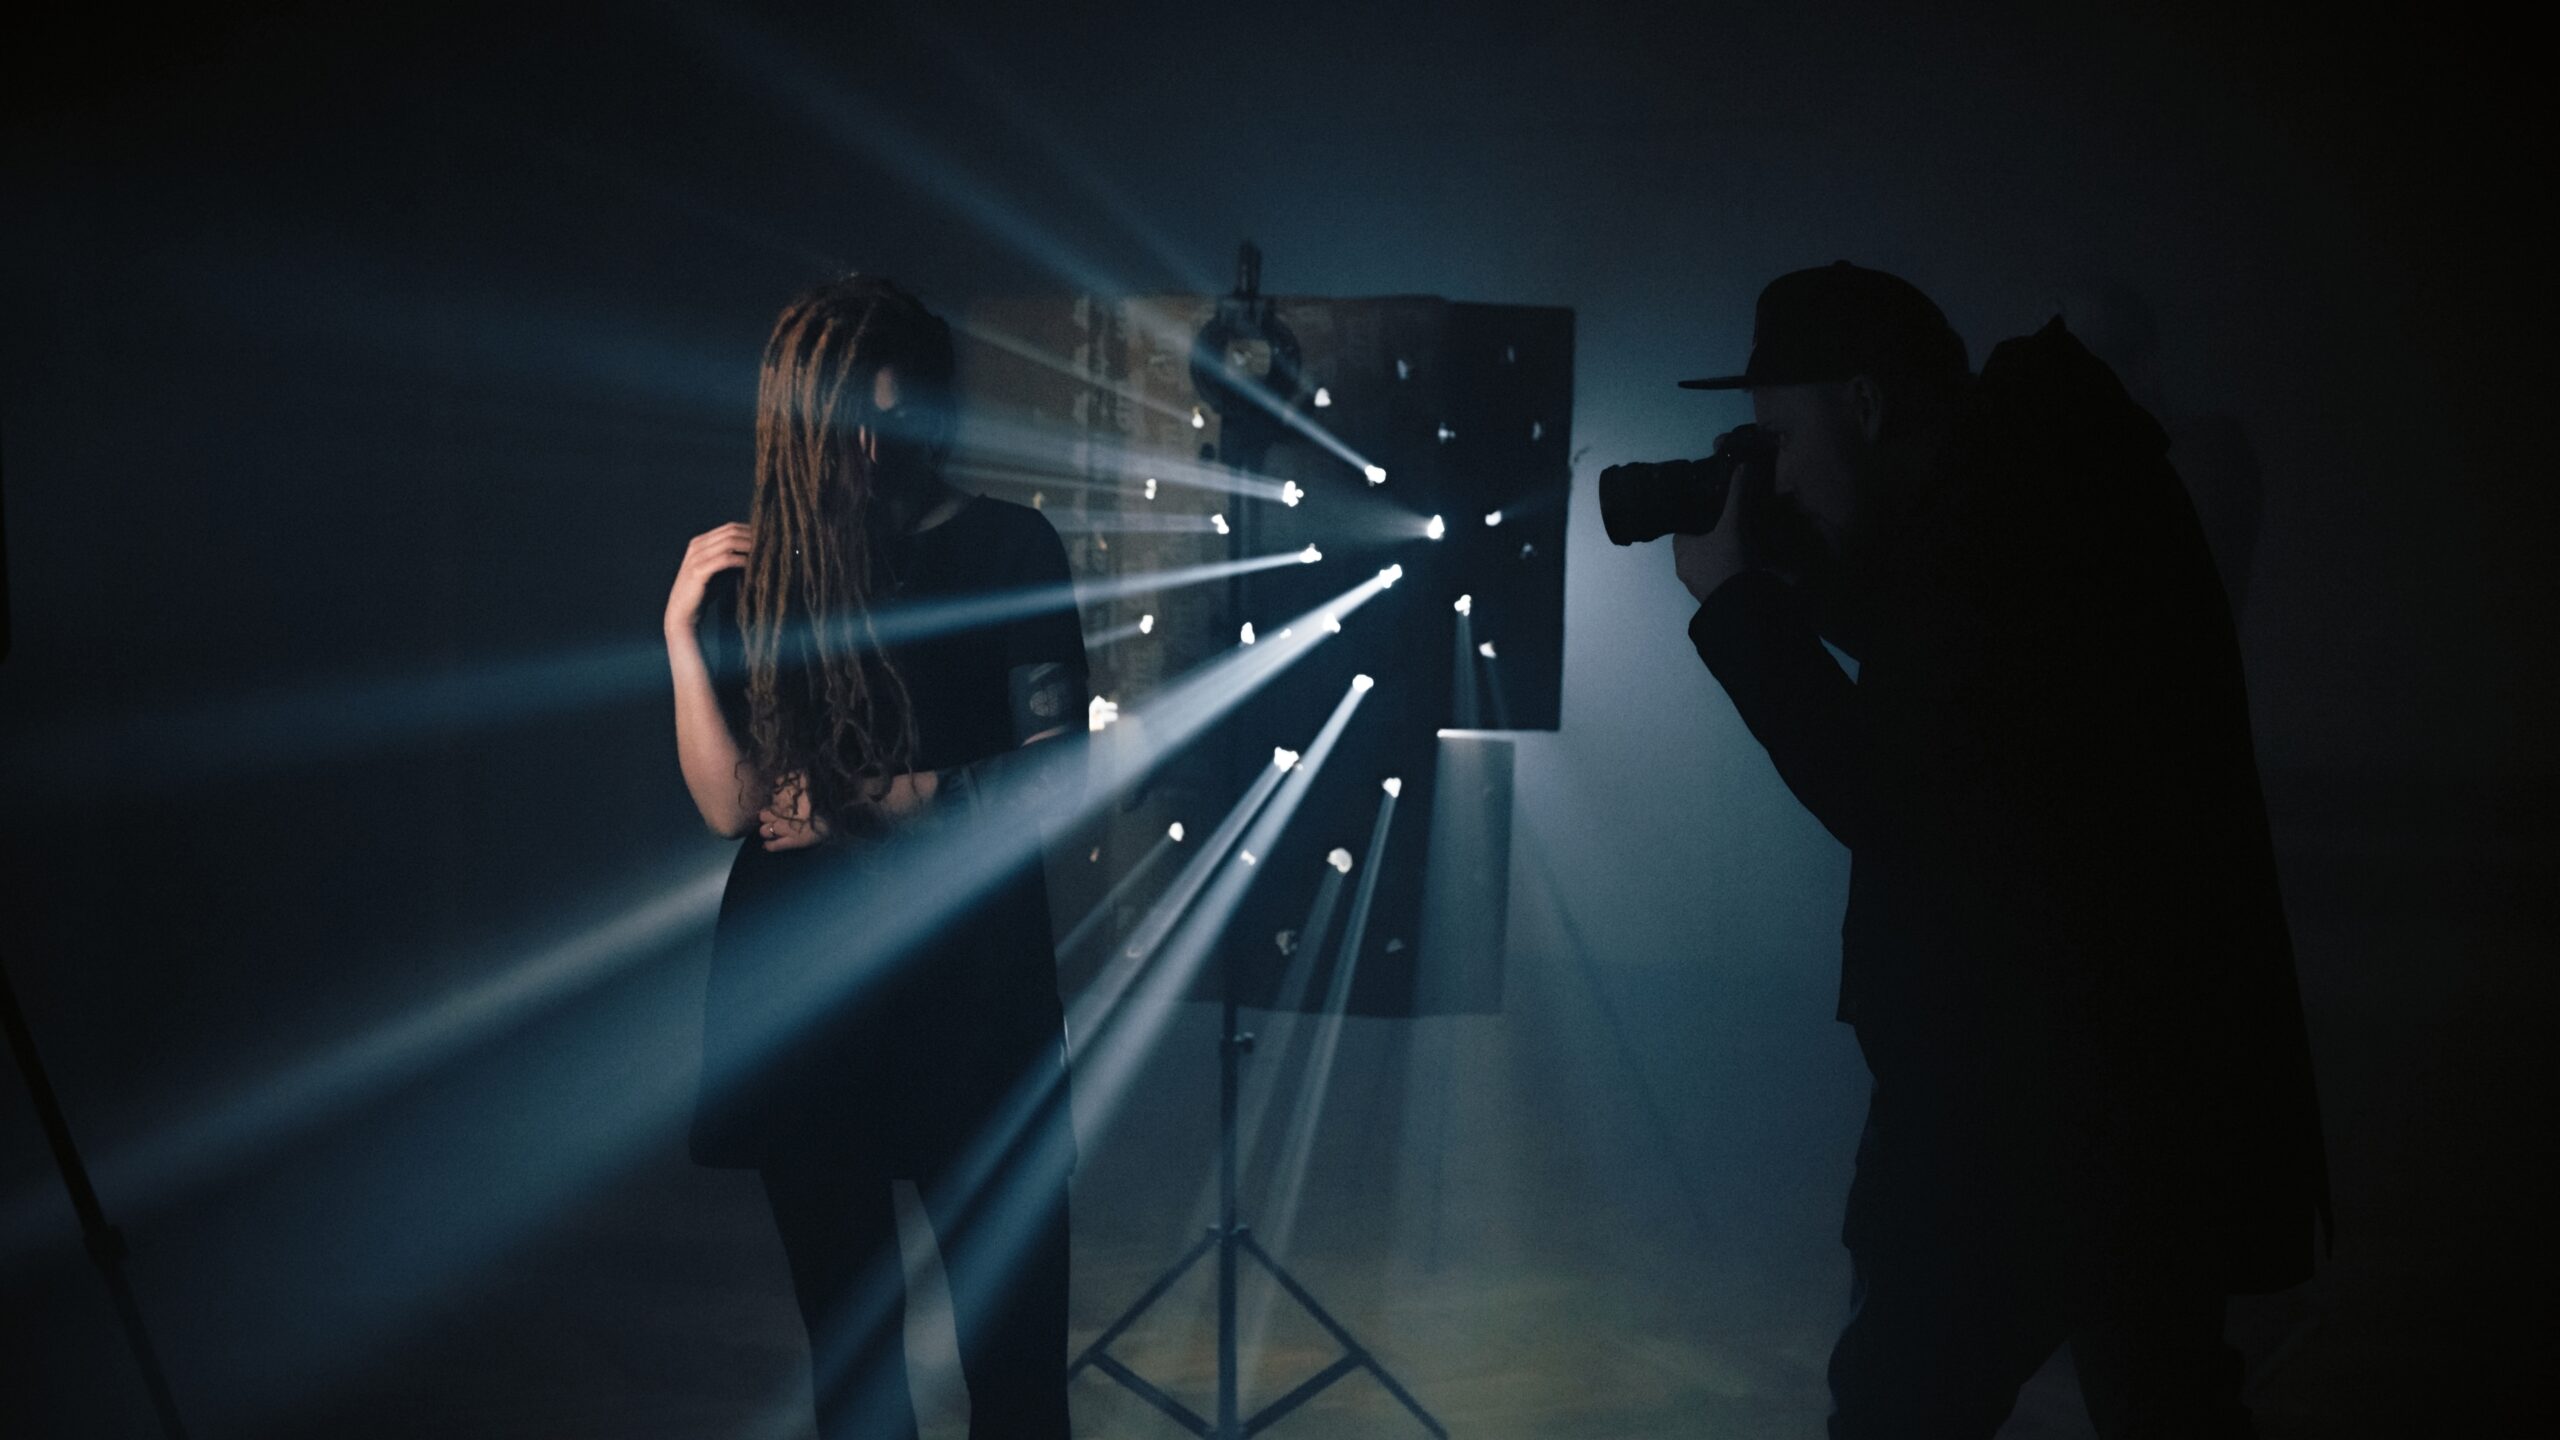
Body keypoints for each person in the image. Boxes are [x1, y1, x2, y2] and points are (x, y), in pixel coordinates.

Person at [1668, 262, 2327, 1438]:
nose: (1769, 467)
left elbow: (1900, 791)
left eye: (1780, 434)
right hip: (2125, 1080)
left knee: (1902, 1410)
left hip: (2015, 1097)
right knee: (2162, 1402)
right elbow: (1960, 696)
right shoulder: (2042, 486)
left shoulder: (2006, 517)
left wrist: (1735, 610)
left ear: (1863, 405)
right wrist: (1795, 578)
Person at [662, 275, 1084, 1440]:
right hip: (807, 997)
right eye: (843, 418)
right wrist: (680, 640)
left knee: (1014, 1375)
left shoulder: (1010, 545)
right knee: (854, 1374)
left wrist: (886, 800)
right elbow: (729, 805)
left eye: (892, 418)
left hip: (975, 994)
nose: (865, 445)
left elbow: (1061, 773)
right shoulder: (762, 573)